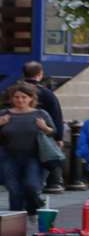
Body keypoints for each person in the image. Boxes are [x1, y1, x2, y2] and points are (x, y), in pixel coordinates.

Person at [0, 83, 57, 213]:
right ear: (11, 98)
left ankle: (33, 208)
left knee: (31, 186)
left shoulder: (40, 114)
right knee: (14, 189)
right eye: (16, 97)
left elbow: (53, 133)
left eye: (24, 97)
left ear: (31, 98)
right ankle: (15, 220)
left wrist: (44, 127)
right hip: (9, 156)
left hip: (34, 157)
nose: (20, 100)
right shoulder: (4, 114)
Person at [19, 61, 64, 192]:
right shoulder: (46, 93)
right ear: (40, 74)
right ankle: (50, 184)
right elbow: (56, 115)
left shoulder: (12, 91)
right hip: (40, 138)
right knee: (39, 166)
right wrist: (58, 137)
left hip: (15, 139)